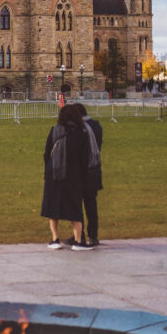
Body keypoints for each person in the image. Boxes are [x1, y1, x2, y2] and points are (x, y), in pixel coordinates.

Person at [41, 103, 92, 250]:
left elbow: (47, 153)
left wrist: (48, 171)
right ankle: (78, 241)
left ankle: (55, 239)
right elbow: (84, 158)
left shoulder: (55, 130)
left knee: (53, 206)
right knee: (74, 207)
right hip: (73, 174)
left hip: (54, 173)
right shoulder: (81, 133)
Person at [62, 104, 102, 247]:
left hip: (81, 172)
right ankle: (93, 235)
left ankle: (79, 236)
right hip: (94, 169)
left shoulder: (79, 129)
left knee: (78, 204)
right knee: (91, 204)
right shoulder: (96, 126)